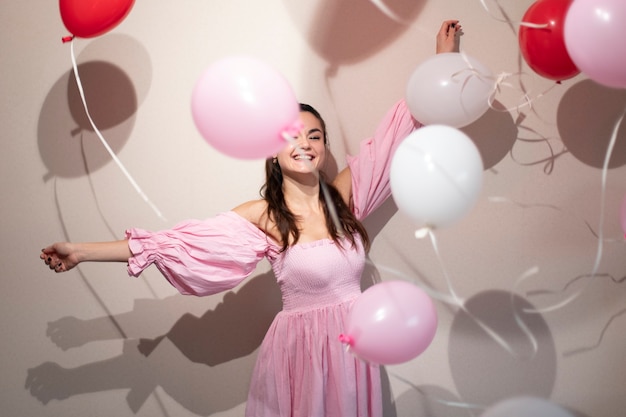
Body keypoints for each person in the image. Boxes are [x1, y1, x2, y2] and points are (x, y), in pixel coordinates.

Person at [41, 20, 461, 417]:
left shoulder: (344, 197)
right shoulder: (263, 216)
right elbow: (174, 244)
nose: (305, 143)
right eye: (292, 136)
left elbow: (394, 137)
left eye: (314, 135)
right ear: (273, 150)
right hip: (301, 354)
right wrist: (80, 251)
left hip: (356, 349)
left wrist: (440, 61)